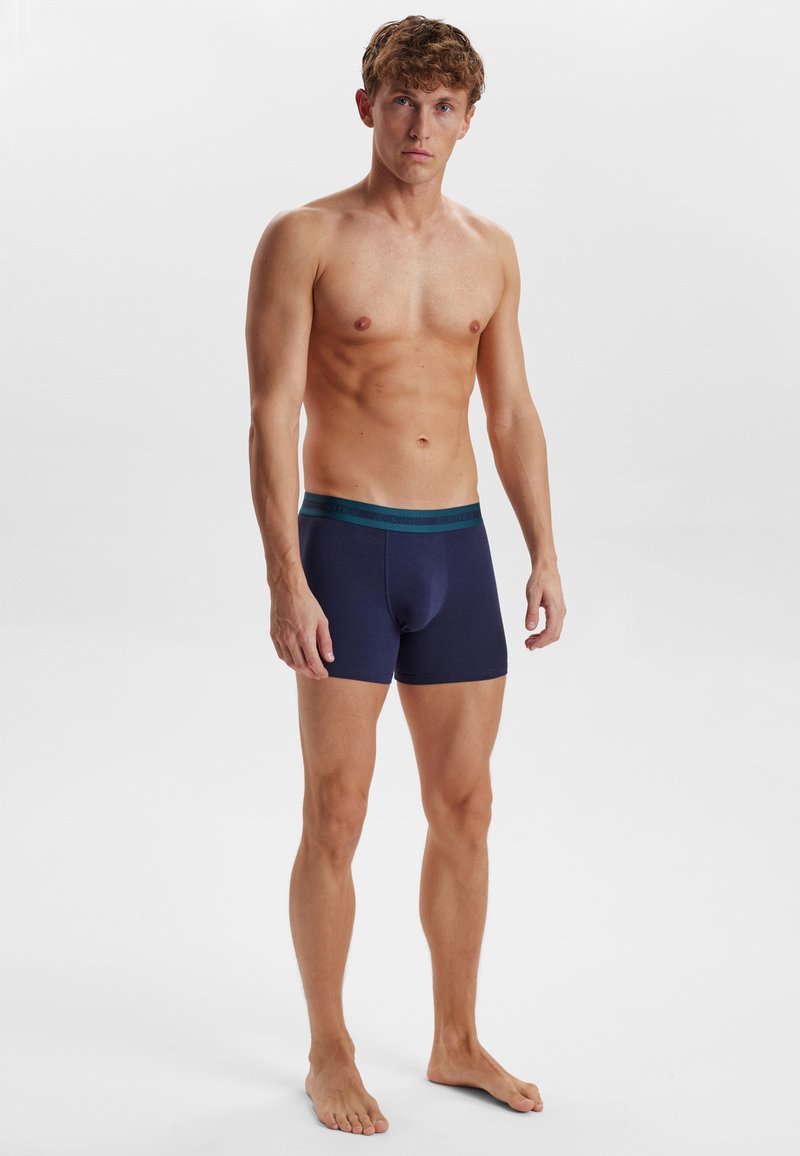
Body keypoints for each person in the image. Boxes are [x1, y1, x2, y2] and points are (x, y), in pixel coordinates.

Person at [246, 14, 565, 1137]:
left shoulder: (491, 250)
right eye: (401, 101)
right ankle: (328, 1047)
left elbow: (510, 412)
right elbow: (270, 412)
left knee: (466, 807)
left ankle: (454, 1037)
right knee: (336, 812)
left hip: (456, 552)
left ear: (467, 120)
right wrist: (285, 577)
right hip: (346, 543)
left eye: (442, 107)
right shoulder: (305, 237)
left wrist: (543, 549)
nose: (419, 125)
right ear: (366, 107)